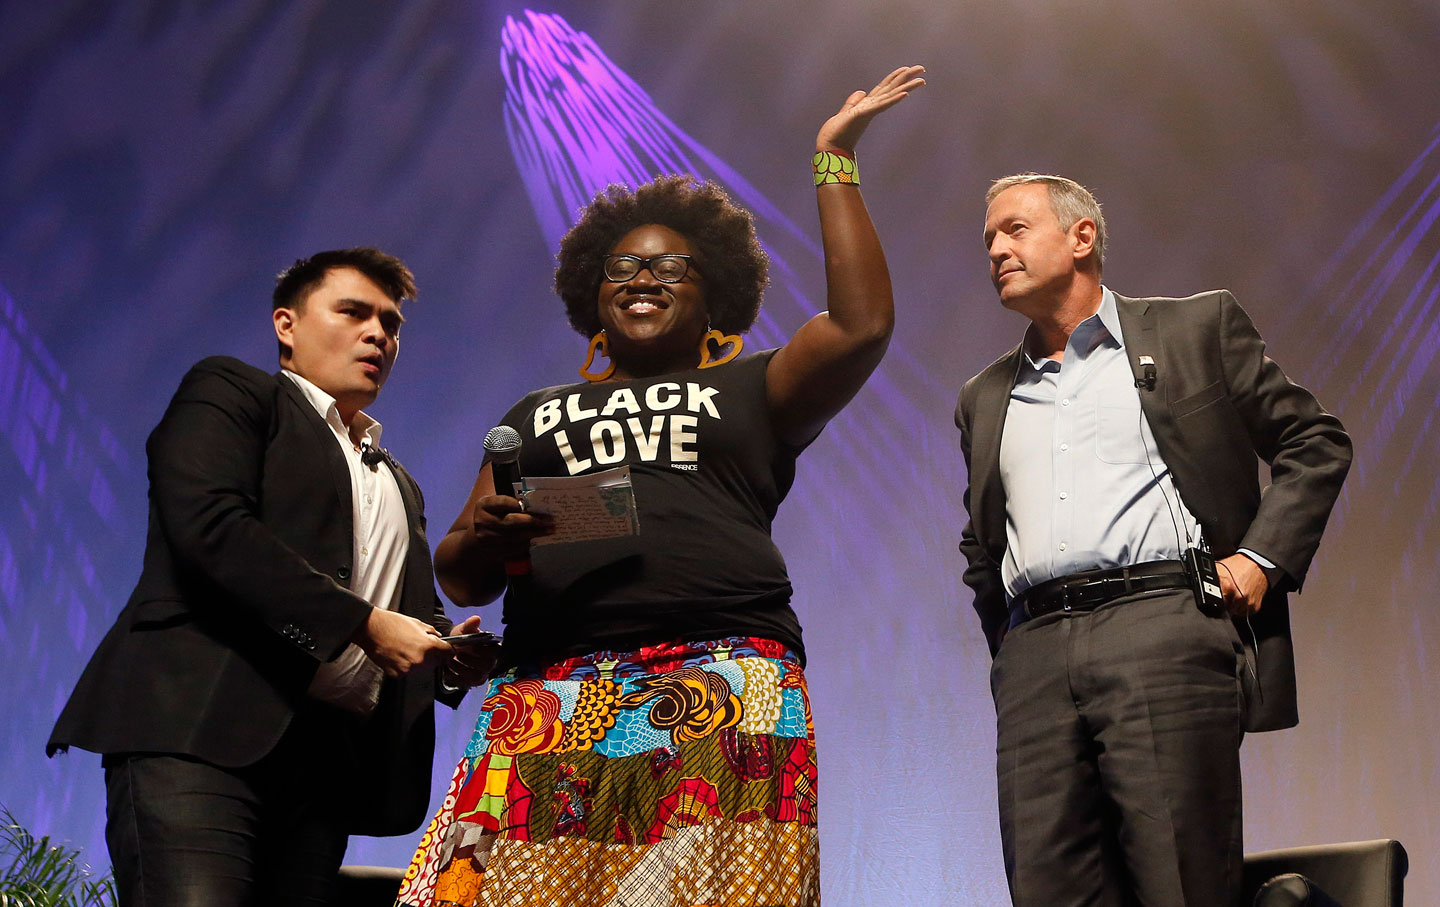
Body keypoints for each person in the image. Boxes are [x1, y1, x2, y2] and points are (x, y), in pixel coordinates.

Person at [395, 66, 926, 907]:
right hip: (550, 688)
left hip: (721, 674)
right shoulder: (536, 412)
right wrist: (488, 536)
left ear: (714, 294)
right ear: (590, 297)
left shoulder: (755, 388)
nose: (642, 277)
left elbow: (862, 326)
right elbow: (460, 573)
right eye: (621, 268)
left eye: (670, 267)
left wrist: (834, 160)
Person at [47, 248, 494, 906]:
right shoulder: (232, 392)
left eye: (392, 324)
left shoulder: (400, 482)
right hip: (199, 733)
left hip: (326, 766)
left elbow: (406, 611)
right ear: (286, 324)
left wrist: (445, 653)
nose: (378, 334)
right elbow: (211, 526)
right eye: (354, 311)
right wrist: (365, 624)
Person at [956, 174, 1353, 906]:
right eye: (988, 239)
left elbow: (1314, 440)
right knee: (1048, 890)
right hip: (1035, 657)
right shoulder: (983, 396)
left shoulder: (1194, 329)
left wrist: (1261, 558)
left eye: (1013, 229)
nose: (995, 250)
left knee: (1179, 882)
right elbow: (981, 544)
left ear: (1082, 238)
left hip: (1161, 628)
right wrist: (1014, 651)